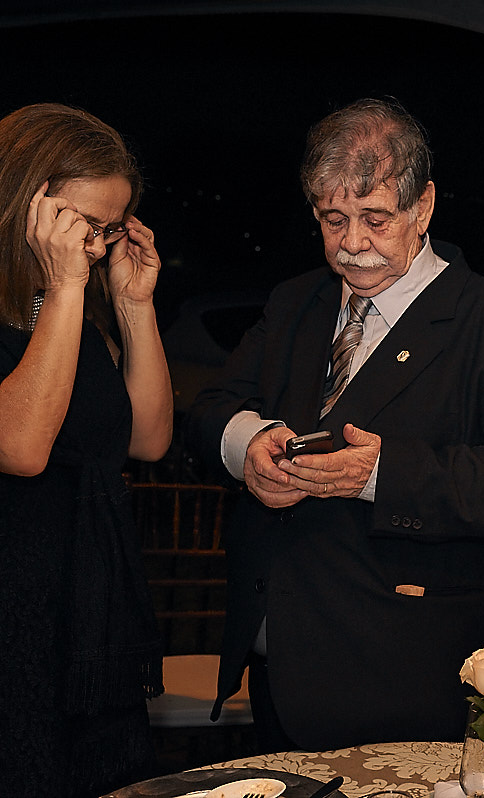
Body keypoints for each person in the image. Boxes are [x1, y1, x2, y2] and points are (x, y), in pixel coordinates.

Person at [185, 98, 484, 752]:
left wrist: (381, 474)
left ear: (422, 207)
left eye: (375, 219)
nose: (351, 245)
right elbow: (209, 409)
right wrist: (245, 445)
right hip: (274, 660)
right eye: (332, 219)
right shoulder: (295, 301)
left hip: (400, 675)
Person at [0, 104, 173, 796]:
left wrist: (134, 305)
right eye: (84, 224)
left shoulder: (71, 307)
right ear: (24, 199)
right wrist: (68, 286)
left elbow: (148, 439)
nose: (97, 247)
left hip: (88, 612)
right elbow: (21, 447)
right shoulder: (58, 301)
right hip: (13, 622)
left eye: (108, 228)